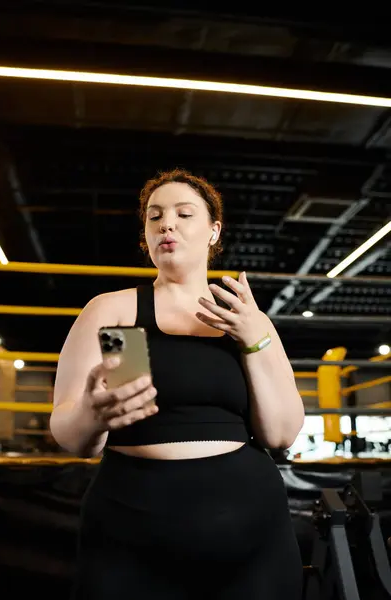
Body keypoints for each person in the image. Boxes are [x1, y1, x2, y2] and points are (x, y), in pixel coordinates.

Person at [50, 168, 305, 599]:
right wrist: (92, 415)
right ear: (146, 236)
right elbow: (87, 433)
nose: (166, 223)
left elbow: (280, 434)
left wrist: (254, 337)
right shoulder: (119, 312)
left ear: (213, 231)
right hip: (131, 523)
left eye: (184, 214)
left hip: (248, 527)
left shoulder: (244, 316)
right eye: (154, 216)